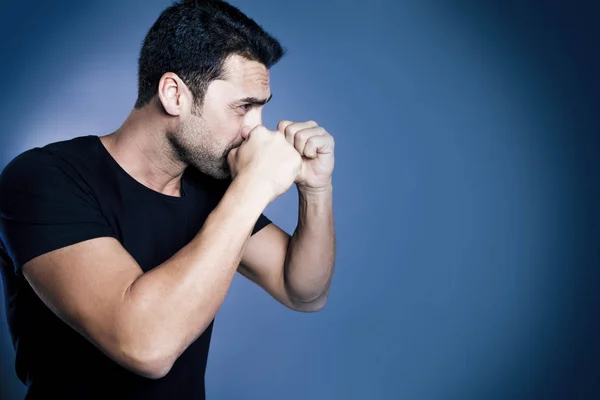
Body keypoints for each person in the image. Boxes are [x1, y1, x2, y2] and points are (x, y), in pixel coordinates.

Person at [0, 0, 336, 398]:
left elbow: (303, 291)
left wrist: (315, 190)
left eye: (260, 108)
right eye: (243, 107)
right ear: (174, 94)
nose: (255, 130)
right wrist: (254, 185)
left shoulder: (212, 186)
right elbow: (146, 347)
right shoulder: (43, 178)